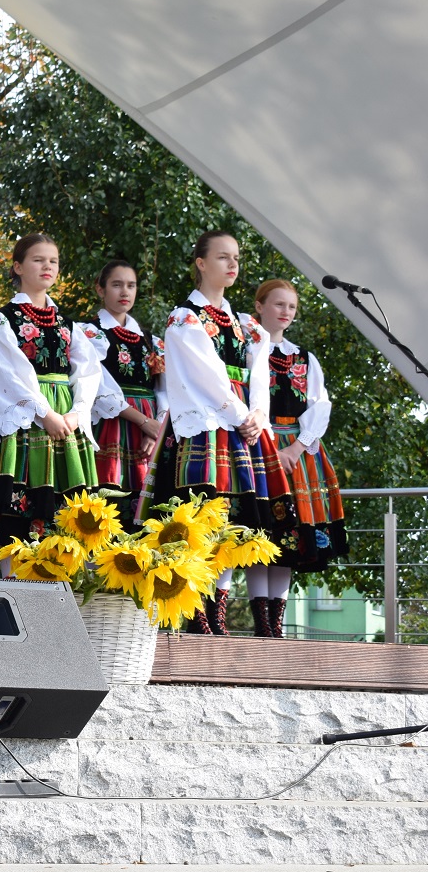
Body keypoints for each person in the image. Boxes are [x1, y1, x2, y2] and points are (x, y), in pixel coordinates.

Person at [145, 231, 297, 635]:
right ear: (201, 263)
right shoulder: (185, 318)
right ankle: (196, 612)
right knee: (200, 519)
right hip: (207, 426)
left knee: (234, 521)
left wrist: (258, 413)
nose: (232, 265)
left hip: (240, 428)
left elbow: (259, 373)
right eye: (223, 257)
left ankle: (218, 612)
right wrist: (243, 414)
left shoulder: (247, 324)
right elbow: (206, 375)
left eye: (236, 258)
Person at [0, 234, 99, 559]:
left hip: (65, 418)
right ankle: (14, 589)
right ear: (18, 267)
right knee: (17, 517)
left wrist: (77, 412)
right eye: (38, 259)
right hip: (26, 419)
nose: (48, 266)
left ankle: (56, 589)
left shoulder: (68, 324)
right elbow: (9, 374)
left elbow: (88, 371)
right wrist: (45, 414)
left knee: (64, 518)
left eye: (53, 261)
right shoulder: (1, 320)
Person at [243, 278, 348, 636]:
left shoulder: (304, 358)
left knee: (289, 536)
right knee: (261, 534)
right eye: (278, 304)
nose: (285, 312)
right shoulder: (247, 350)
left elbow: (320, 406)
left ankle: (276, 626)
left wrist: (297, 446)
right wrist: (272, 445)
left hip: (297, 451)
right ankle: (262, 624)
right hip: (258, 443)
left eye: (291, 306)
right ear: (259, 306)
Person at [79, 260, 166, 507]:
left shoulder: (151, 341)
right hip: (110, 422)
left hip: (148, 427)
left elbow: (164, 390)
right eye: (116, 285)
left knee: (147, 503)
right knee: (106, 497)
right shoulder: (88, 333)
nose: (124, 292)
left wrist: (156, 429)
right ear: (101, 289)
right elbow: (98, 387)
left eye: (131, 285)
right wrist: (143, 421)